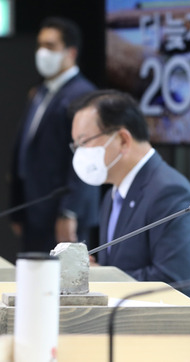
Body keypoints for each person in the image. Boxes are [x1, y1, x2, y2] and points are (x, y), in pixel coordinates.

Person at [70, 89, 190, 303]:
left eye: (84, 142)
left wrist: (101, 276)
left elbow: (171, 282)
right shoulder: (111, 196)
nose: (78, 153)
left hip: (173, 330)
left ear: (122, 140)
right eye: (75, 145)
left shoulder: (170, 192)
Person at [10, 16, 99, 252]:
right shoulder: (40, 91)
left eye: (50, 46)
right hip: (34, 210)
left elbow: (86, 158)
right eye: (40, 45)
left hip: (61, 215)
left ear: (70, 52)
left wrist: (70, 211)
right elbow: (26, 150)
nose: (42, 52)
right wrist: (18, 206)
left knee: (61, 286)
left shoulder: (84, 95)